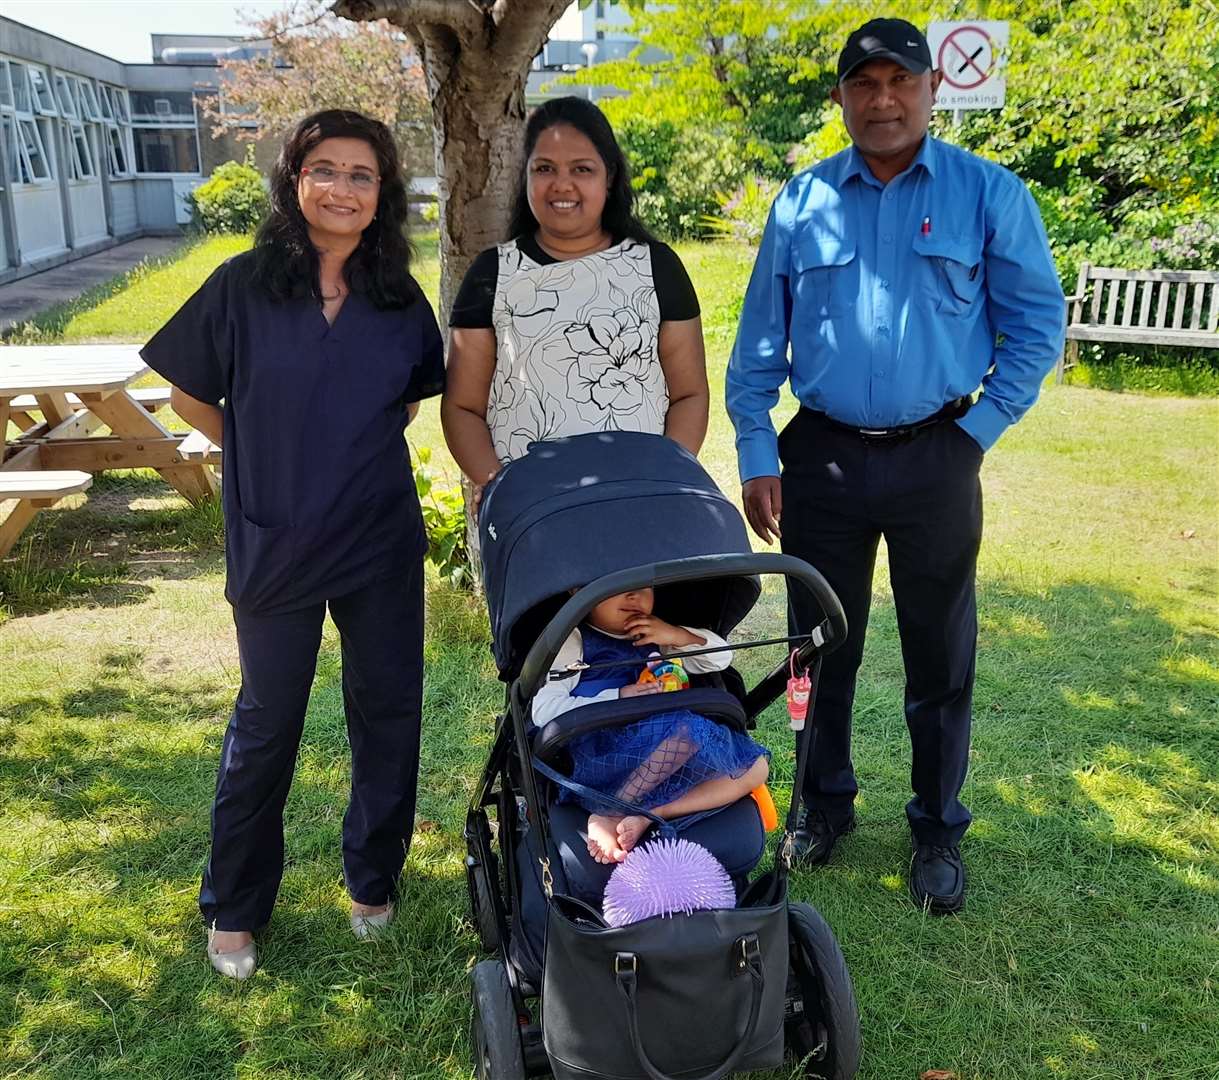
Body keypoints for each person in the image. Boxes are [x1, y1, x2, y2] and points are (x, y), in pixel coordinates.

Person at [725, 19, 1066, 914]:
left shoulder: (987, 195)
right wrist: (759, 451)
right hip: (820, 457)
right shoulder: (799, 203)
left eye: (899, 83)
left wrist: (977, 432)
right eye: (863, 84)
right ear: (839, 98)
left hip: (937, 456)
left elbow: (1035, 328)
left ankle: (935, 828)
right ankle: (820, 807)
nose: (882, 100)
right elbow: (758, 342)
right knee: (815, 645)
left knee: (938, 653)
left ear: (930, 90)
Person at [141, 109, 445, 978]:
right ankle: (234, 906)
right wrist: (261, 443)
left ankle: (373, 884)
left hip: (377, 534)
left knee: (386, 710)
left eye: (362, 174)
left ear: (380, 194)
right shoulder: (241, 286)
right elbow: (190, 396)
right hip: (274, 533)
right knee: (267, 720)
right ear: (295, 178)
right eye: (326, 169)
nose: (343, 188)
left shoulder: (396, 297)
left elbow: (406, 401)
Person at [442, 95, 709, 500]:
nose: (561, 184)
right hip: (531, 512)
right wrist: (502, 488)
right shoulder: (493, 274)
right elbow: (462, 408)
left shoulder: (656, 267)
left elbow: (689, 394)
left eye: (581, 169)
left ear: (610, 177)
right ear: (525, 176)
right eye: (544, 168)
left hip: (642, 498)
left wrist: (664, 478)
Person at [533, 586, 769, 865]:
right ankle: (611, 810)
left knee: (757, 767)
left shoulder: (656, 634)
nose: (634, 597)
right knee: (685, 731)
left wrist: (678, 636)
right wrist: (617, 697)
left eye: (643, 588)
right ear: (579, 593)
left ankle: (652, 811)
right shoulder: (575, 640)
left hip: (667, 752)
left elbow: (721, 658)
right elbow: (543, 712)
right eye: (620, 589)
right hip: (606, 754)